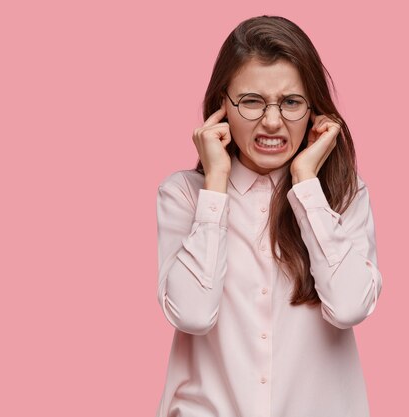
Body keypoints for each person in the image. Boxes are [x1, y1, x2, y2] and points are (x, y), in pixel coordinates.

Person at [156, 15, 383, 417]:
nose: (273, 121)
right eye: (252, 101)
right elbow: (191, 314)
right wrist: (216, 185)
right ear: (222, 104)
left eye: (291, 102)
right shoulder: (185, 195)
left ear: (314, 111)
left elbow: (350, 306)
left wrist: (306, 183)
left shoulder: (342, 194)